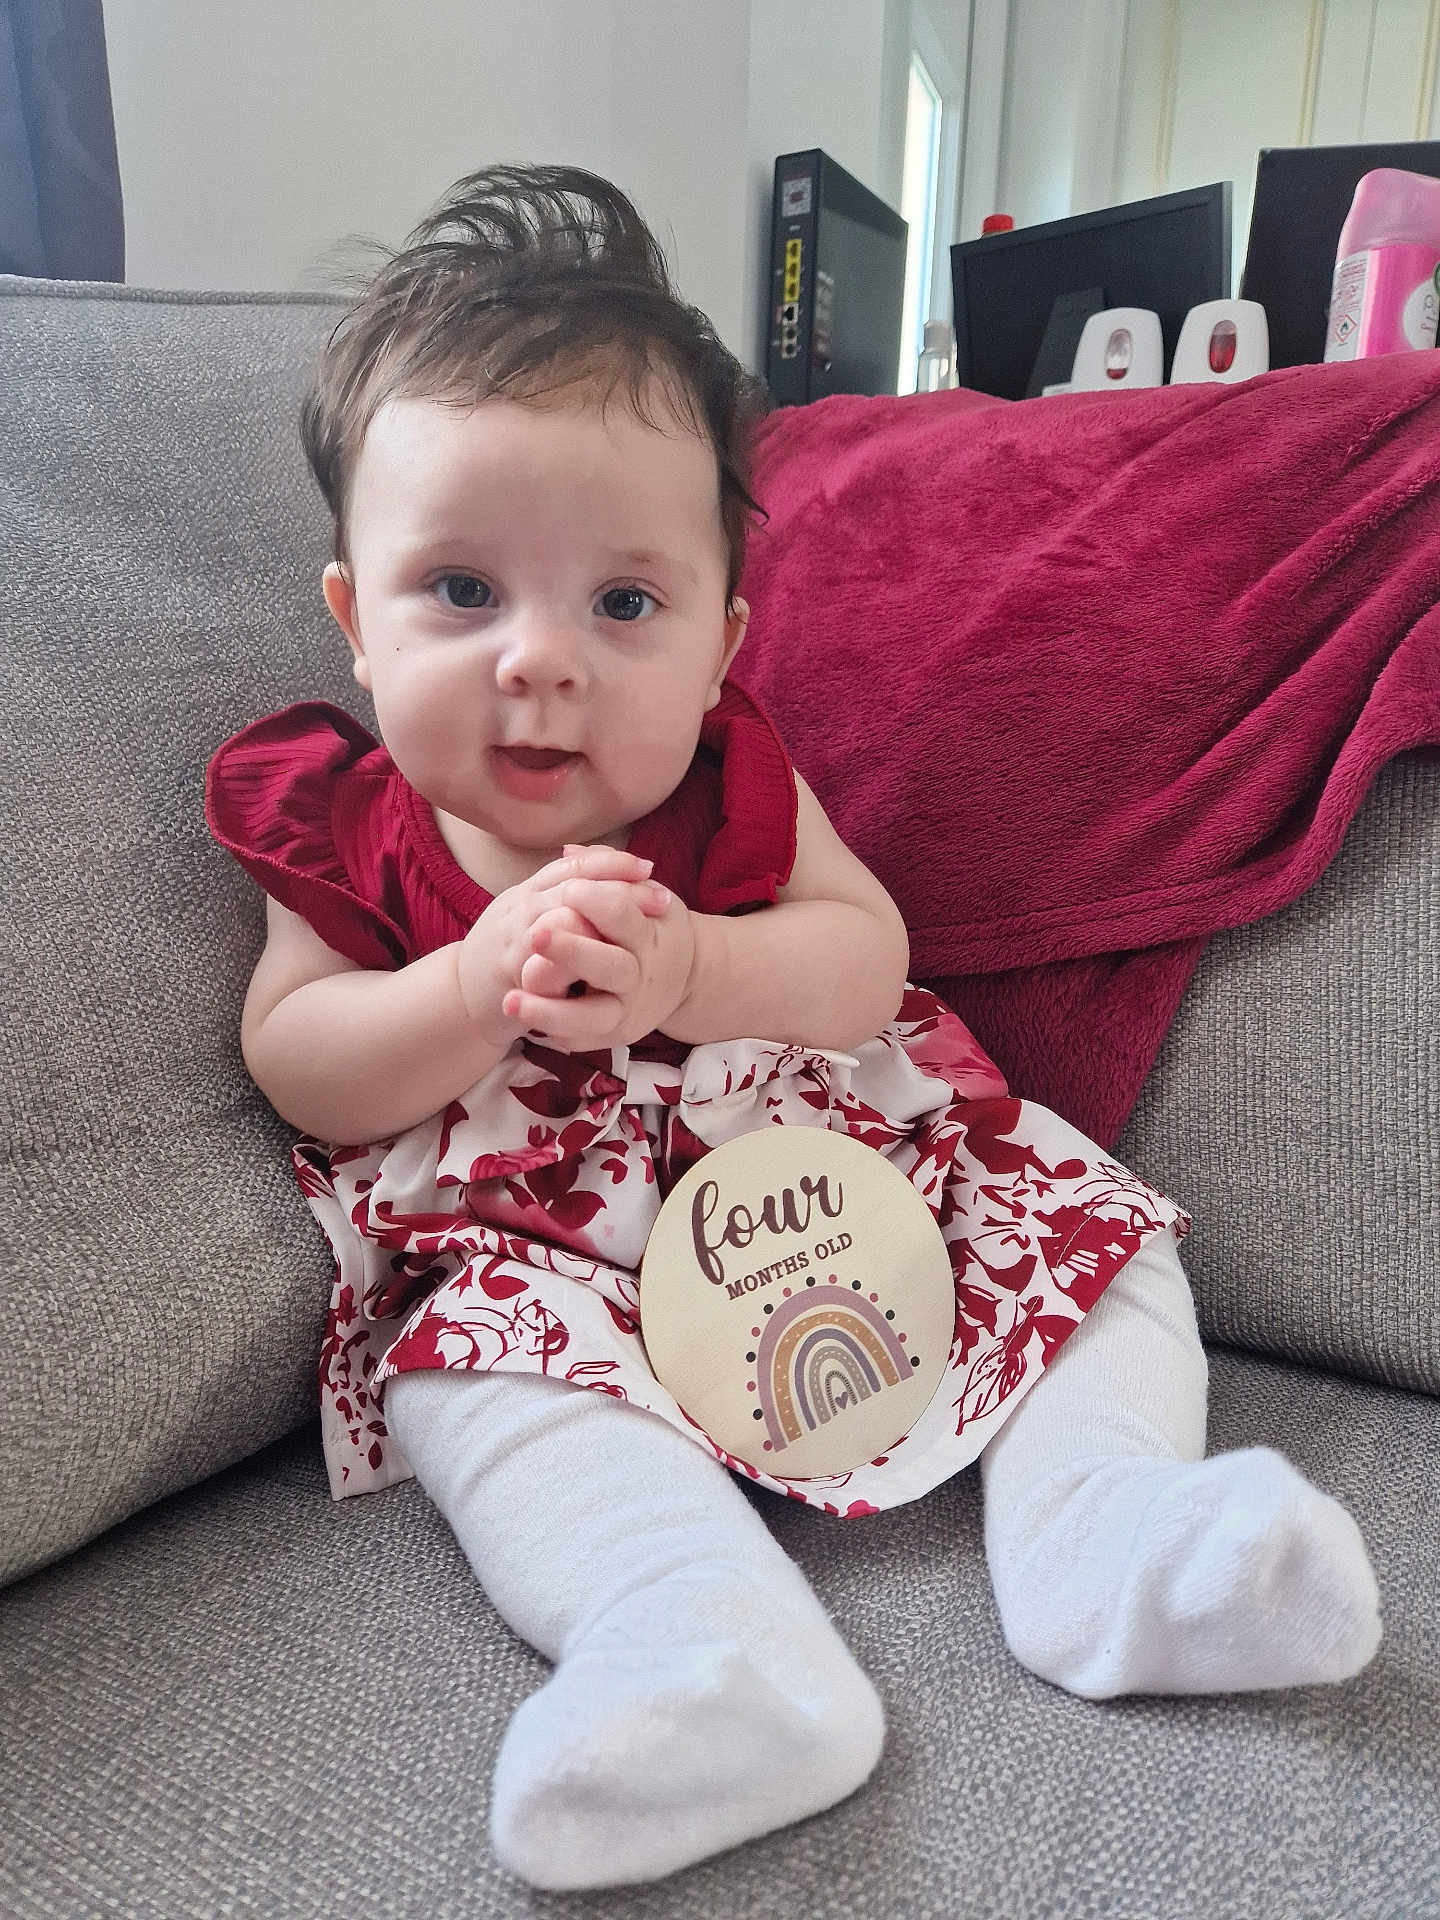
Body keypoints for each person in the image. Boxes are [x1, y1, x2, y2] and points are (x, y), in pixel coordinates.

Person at [206, 163, 1381, 1892]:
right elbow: (298, 1060)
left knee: (1090, 1231)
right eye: (460, 589)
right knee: (464, 1370)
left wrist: (695, 973)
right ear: (354, 624)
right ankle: (698, 1643)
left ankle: (1107, 1532)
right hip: (551, 1262)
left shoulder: (734, 778)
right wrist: (462, 990)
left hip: (842, 1191)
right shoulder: (341, 825)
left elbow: (860, 955)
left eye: (624, 605)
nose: (543, 661)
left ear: (719, 645)